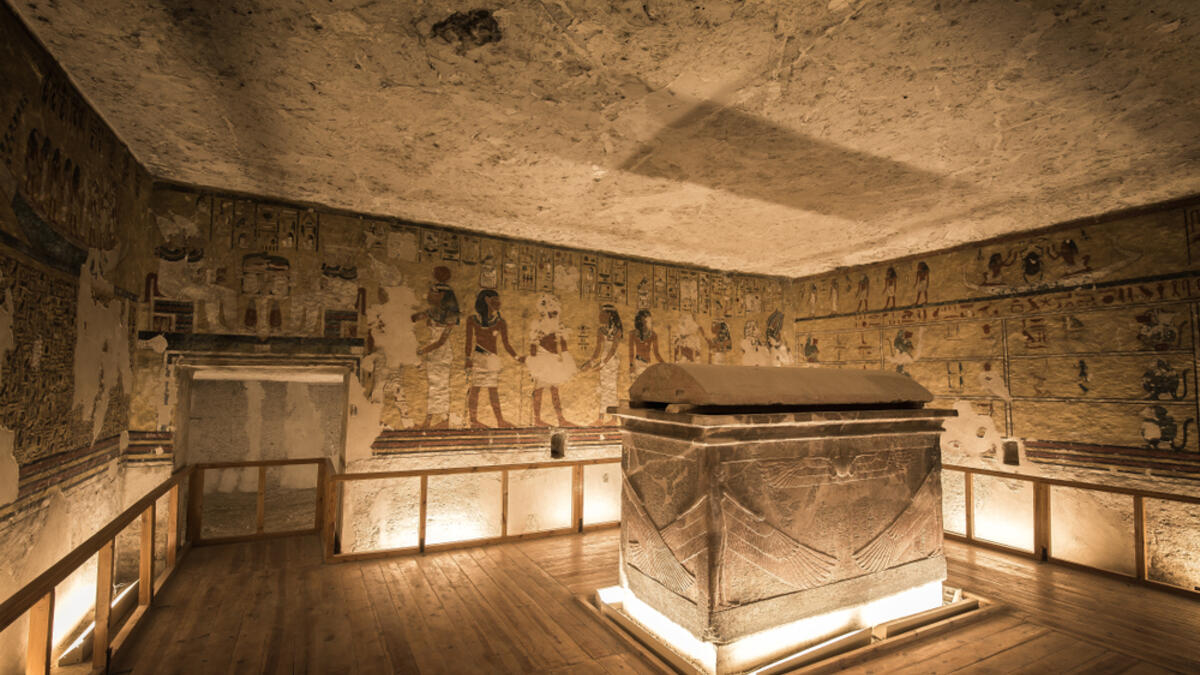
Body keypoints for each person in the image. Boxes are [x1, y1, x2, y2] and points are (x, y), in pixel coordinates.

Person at [465, 289, 521, 427]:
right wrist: (467, 359)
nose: (499, 302)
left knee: (493, 390)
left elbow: (506, 344)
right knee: (475, 388)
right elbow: (468, 341)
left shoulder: (500, 322)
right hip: (479, 356)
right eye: (495, 299)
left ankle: (499, 420)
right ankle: (473, 420)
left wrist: (518, 357)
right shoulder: (472, 319)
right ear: (487, 300)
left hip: (492, 359)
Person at [411, 267, 459, 428]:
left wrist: (422, 350)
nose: (429, 295)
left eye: (434, 293)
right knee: (434, 386)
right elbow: (414, 317)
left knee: (439, 386)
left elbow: (441, 341)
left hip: (441, 353)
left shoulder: (450, 316)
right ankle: (434, 419)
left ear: (443, 296)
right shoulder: (433, 311)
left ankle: (441, 420)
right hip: (434, 352)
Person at [526, 294, 576, 427]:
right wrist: (533, 362)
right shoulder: (540, 326)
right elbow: (533, 345)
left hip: (554, 360)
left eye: (555, 312)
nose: (554, 314)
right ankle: (537, 419)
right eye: (551, 312)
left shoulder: (557, 325)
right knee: (540, 389)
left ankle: (560, 419)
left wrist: (563, 355)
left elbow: (562, 344)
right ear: (545, 311)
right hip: (543, 360)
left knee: (554, 389)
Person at [580, 305, 623, 425]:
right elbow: (598, 350)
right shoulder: (601, 330)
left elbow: (613, 349)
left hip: (612, 360)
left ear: (609, 315)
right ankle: (601, 418)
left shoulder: (617, 330)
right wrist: (590, 363)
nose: (599, 316)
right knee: (604, 388)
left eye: (602, 314)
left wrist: (603, 364)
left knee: (611, 389)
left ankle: (614, 419)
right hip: (605, 358)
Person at [628, 309, 664, 380]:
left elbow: (656, 354)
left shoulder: (653, 335)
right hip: (638, 363)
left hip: (647, 364)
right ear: (642, 321)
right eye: (648, 321)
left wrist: (664, 364)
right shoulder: (632, 334)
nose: (650, 323)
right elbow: (631, 352)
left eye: (650, 320)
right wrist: (631, 366)